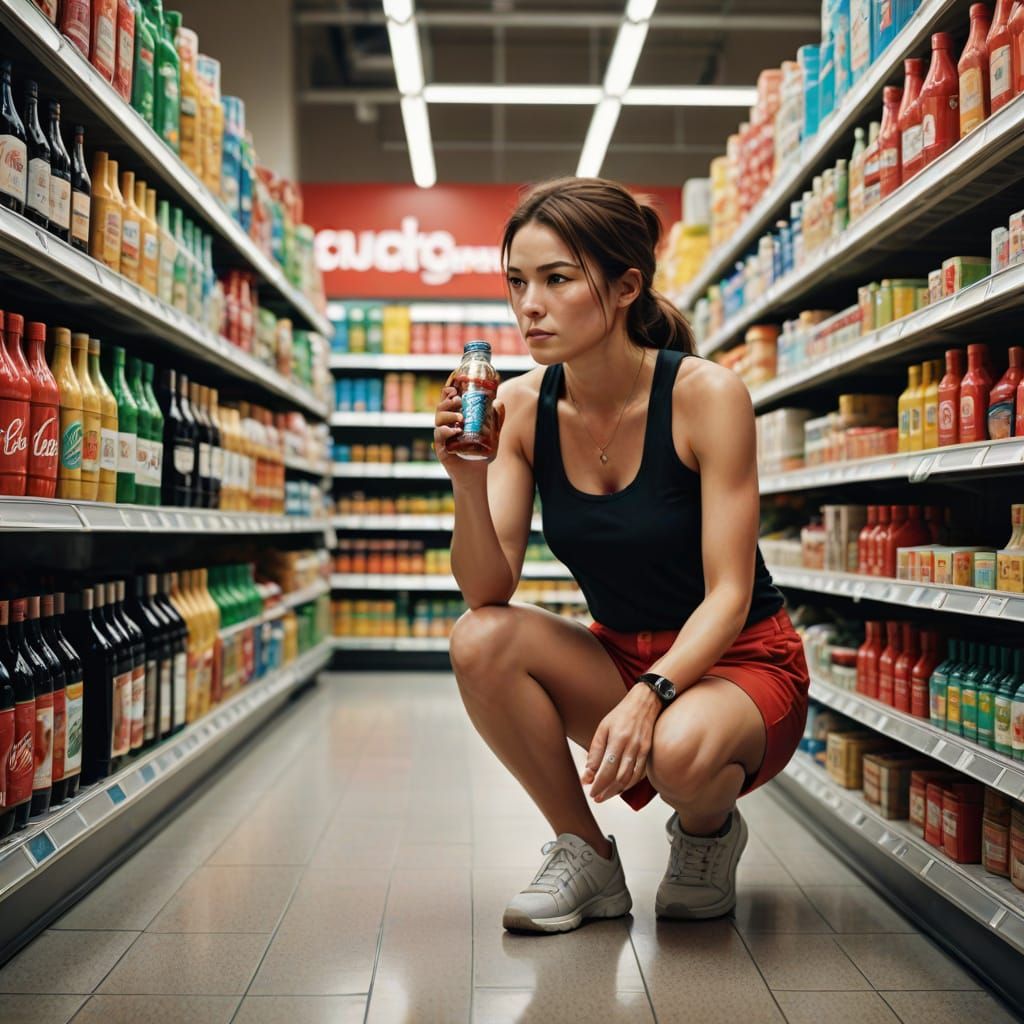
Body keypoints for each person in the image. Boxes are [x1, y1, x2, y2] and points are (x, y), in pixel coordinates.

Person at [433, 177, 809, 934]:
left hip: (739, 660)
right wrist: (465, 482)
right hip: (622, 655)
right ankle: (587, 854)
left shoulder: (707, 395)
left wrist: (652, 695)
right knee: (478, 639)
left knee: (679, 753)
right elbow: (487, 587)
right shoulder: (520, 407)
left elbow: (730, 593)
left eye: (557, 279)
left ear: (626, 285)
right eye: (517, 282)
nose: (528, 305)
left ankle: (706, 834)